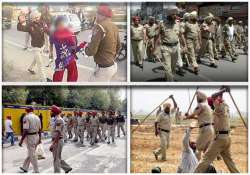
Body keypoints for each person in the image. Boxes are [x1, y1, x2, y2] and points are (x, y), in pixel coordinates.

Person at [194, 87, 239, 173]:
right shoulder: (224, 107)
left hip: (220, 139)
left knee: (206, 158)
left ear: (212, 104)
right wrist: (222, 90)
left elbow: (213, 96)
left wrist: (223, 90)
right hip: (227, 138)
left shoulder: (218, 108)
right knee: (230, 162)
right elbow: (218, 98)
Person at [85, 3, 121, 81]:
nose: (96, 16)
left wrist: (86, 48)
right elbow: (119, 46)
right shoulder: (114, 26)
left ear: (102, 15)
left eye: (97, 14)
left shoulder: (99, 27)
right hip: (112, 66)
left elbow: (91, 51)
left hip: (103, 69)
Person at [49, 16, 87, 82]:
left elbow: (73, 48)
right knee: (62, 77)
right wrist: (81, 46)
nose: (62, 26)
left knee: (67, 76)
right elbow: (74, 48)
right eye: (61, 24)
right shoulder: (69, 34)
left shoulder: (54, 34)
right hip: (65, 60)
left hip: (67, 60)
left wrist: (51, 53)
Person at [155, 6, 187, 81]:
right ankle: (170, 82)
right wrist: (155, 49)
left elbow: (181, 35)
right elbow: (157, 36)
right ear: (169, 15)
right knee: (167, 68)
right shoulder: (162, 24)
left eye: (176, 14)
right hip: (165, 48)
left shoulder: (178, 24)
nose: (175, 16)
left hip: (175, 48)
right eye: (173, 14)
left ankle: (168, 79)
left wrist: (185, 45)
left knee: (172, 68)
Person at [17, 10, 49, 82]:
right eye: (34, 18)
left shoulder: (43, 23)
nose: (36, 19)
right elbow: (20, 28)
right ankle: (44, 80)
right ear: (32, 18)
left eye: (37, 17)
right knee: (40, 63)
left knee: (36, 59)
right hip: (35, 47)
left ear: (39, 16)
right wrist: (20, 21)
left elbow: (48, 32)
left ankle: (30, 68)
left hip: (42, 46)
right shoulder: (29, 25)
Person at [184, 91, 215, 160]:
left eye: (197, 98)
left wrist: (187, 116)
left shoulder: (200, 105)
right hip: (210, 129)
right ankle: (208, 166)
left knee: (198, 148)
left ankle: (196, 164)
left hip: (205, 129)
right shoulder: (208, 107)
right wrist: (189, 116)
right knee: (206, 150)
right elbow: (199, 118)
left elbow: (193, 114)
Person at [153, 95, 177, 161]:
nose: (168, 109)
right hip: (162, 131)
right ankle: (163, 158)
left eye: (169, 108)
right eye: (167, 108)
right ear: (164, 108)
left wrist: (173, 98)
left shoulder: (171, 112)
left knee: (167, 146)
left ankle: (156, 152)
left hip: (168, 132)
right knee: (164, 144)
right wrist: (156, 130)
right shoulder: (161, 114)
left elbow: (175, 106)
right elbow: (156, 122)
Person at [49, 105, 72, 173]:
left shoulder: (59, 120)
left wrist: (53, 144)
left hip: (58, 140)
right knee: (57, 158)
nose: (50, 112)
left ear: (55, 112)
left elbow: (58, 133)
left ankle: (57, 172)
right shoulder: (55, 119)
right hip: (56, 140)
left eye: (51, 111)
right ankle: (67, 168)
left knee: (56, 159)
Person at [19, 107, 41, 173]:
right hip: (36, 136)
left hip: (30, 137)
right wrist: (40, 138)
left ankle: (36, 170)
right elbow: (40, 129)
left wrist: (21, 140)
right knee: (31, 153)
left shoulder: (26, 117)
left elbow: (25, 130)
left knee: (32, 154)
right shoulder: (37, 117)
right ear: (32, 110)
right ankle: (25, 167)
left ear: (26, 110)